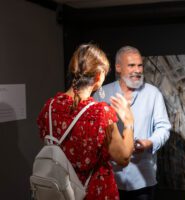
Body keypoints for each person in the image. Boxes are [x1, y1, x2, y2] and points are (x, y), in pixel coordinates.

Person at [37, 44, 134, 200]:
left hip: (60, 191)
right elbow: (123, 158)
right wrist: (129, 123)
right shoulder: (100, 113)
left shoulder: (50, 107)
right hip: (92, 192)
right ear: (98, 76)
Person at [93, 46, 171, 200]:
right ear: (118, 67)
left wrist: (149, 143)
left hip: (143, 180)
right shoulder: (101, 94)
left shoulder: (153, 93)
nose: (137, 70)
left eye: (140, 65)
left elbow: (164, 128)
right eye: (131, 65)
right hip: (110, 179)